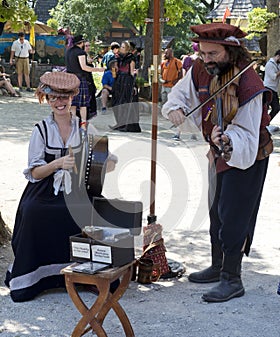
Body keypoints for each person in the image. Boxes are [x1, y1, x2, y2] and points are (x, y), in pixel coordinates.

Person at [162, 23, 273, 303]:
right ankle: (216, 266)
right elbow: (181, 94)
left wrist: (227, 139)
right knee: (216, 213)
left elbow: (247, 133)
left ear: (231, 51)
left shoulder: (250, 84)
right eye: (203, 53)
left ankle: (232, 279)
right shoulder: (200, 68)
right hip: (218, 155)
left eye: (213, 54)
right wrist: (175, 109)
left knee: (233, 217)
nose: (206, 59)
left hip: (247, 156)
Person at [4, 71, 118, 302]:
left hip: (77, 188)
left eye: (64, 97)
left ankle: (92, 275)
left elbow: (109, 161)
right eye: (53, 97)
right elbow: (34, 172)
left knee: (102, 210)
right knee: (34, 212)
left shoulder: (84, 128)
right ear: (46, 98)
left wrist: (102, 160)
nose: (59, 102)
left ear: (73, 97)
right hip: (45, 189)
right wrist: (57, 163)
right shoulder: (41, 130)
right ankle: (35, 278)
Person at [65, 35, 104, 126]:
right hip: (79, 79)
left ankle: (73, 122)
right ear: (82, 43)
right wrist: (98, 70)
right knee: (83, 104)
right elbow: (84, 67)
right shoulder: (81, 52)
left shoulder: (68, 51)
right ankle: (83, 123)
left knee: (73, 103)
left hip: (70, 78)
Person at [110, 41, 141, 132]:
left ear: (127, 49)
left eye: (123, 47)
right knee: (117, 103)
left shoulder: (131, 58)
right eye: (121, 47)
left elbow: (132, 73)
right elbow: (114, 71)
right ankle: (119, 123)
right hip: (118, 81)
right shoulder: (117, 58)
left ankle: (126, 125)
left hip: (127, 82)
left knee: (125, 103)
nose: (121, 49)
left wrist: (134, 85)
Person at [263, 49, 280, 120]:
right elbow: (273, 76)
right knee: (266, 108)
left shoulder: (277, 64)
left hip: (274, 89)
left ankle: (267, 121)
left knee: (276, 108)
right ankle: (265, 122)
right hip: (268, 88)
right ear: (278, 56)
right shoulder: (269, 64)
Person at [84, 40, 97, 119]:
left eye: (89, 45)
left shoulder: (87, 54)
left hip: (89, 77)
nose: (88, 47)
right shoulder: (81, 55)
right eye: (86, 46)